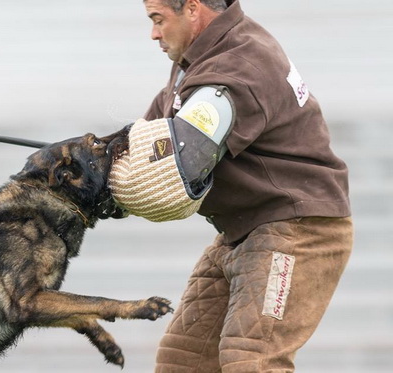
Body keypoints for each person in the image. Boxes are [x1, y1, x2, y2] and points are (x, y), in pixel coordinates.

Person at [108, 0, 353, 372]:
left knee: (252, 361)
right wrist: (88, 155)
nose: (153, 33)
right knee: (184, 361)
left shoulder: (238, 65)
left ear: (192, 9)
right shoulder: (199, 55)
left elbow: (181, 162)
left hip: (298, 229)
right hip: (243, 230)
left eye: (158, 20)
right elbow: (148, 136)